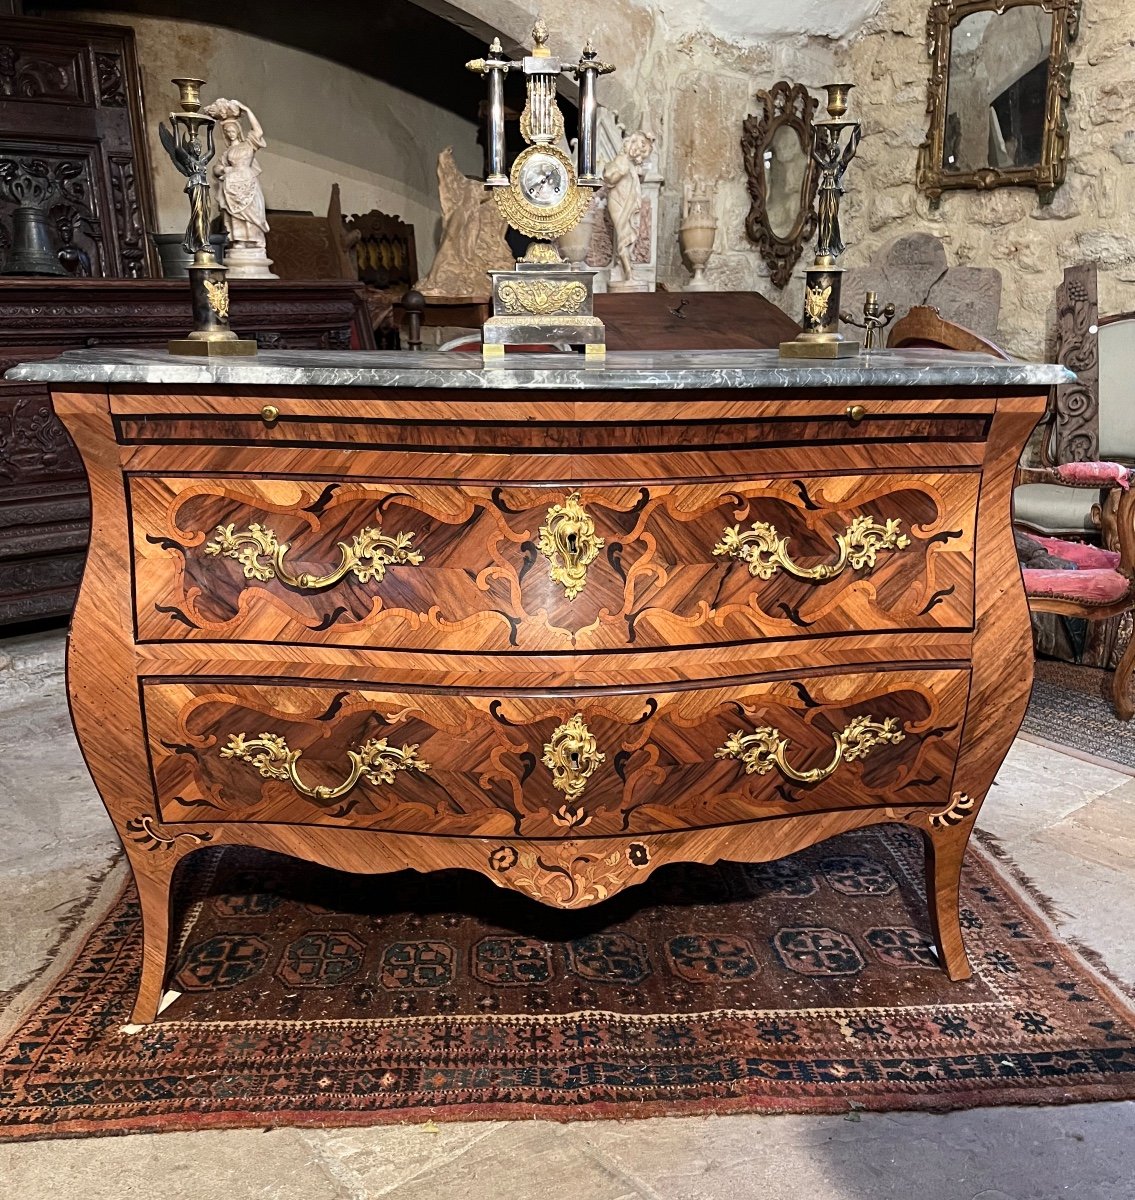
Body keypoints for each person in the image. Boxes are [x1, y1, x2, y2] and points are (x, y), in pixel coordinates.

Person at [208, 100, 269, 248]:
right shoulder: (228, 152)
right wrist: (223, 170)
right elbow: (217, 168)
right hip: (231, 186)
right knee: (235, 216)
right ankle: (239, 241)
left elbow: (258, 132)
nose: (230, 133)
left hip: (248, 182)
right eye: (227, 131)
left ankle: (255, 241)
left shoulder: (248, 145)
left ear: (238, 129)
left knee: (253, 213)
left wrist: (247, 110)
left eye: (232, 130)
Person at [602, 130, 653, 283]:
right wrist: (620, 172)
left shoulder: (630, 164)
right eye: (636, 146)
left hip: (628, 202)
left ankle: (626, 269)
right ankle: (628, 273)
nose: (636, 151)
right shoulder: (621, 160)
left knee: (628, 235)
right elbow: (608, 177)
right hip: (618, 202)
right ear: (629, 143)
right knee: (623, 236)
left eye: (640, 151)